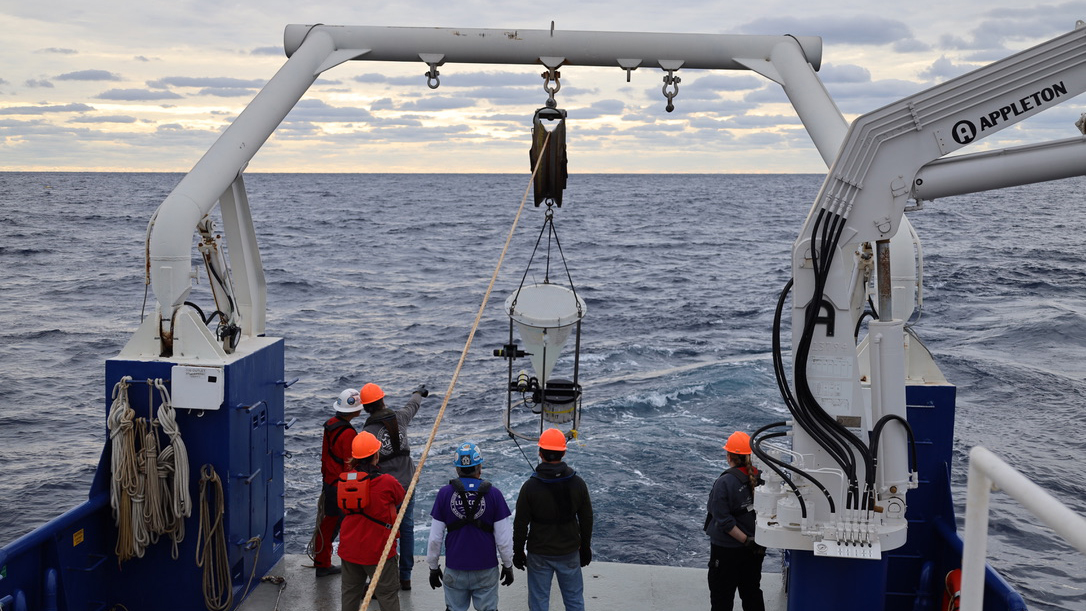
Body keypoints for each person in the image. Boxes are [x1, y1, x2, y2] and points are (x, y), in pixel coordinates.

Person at [426, 442, 515, 611]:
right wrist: (507, 565)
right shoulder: (494, 494)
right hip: (486, 568)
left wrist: (433, 567)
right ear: (479, 467)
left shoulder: (444, 494)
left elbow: (435, 538)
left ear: (457, 469)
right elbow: (504, 539)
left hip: (455, 568)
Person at [512, 428, 593, 611]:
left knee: (539, 603)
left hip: (539, 553)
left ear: (540, 453)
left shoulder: (529, 487)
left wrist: (518, 551)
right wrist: (585, 547)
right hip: (570, 550)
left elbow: (521, 524)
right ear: (563, 452)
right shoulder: (578, 483)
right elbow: (586, 518)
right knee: (574, 601)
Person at [359, 382, 428, 590]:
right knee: (407, 529)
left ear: (365, 408)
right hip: (408, 483)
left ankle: (380, 577)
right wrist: (418, 392)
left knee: (382, 531)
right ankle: (405, 576)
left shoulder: (367, 432)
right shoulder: (399, 418)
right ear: (383, 400)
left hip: (385, 488)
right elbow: (413, 405)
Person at [338, 430, 407, 611]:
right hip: (378, 550)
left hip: (350, 548)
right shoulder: (386, 482)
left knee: (350, 595)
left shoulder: (344, 482)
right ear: (376, 454)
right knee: (387, 594)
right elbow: (401, 498)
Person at [705, 430, 766, 611]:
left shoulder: (724, 483)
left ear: (729, 455)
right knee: (752, 592)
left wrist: (745, 540)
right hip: (755, 550)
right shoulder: (762, 477)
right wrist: (753, 543)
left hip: (726, 551)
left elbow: (723, 521)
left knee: (722, 597)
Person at [313, 388, 364, 577]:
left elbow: (326, 457)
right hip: (341, 487)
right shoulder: (349, 434)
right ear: (355, 411)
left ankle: (322, 562)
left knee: (327, 524)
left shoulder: (330, 425)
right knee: (347, 526)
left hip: (329, 482)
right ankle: (351, 566)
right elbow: (349, 465)